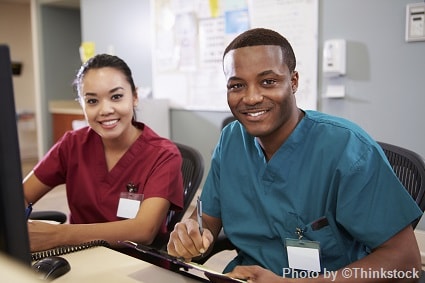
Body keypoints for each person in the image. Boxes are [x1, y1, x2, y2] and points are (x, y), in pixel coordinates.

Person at [167, 28, 423, 282]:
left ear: (294, 81)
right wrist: (191, 233)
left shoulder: (348, 149)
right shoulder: (231, 140)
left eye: (268, 81)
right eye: (237, 85)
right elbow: (208, 219)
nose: (252, 97)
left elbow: (406, 263)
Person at [24, 54, 183, 252]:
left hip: (135, 264)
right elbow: (21, 194)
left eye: (116, 97)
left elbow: (144, 230)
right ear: (82, 104)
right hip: (79, 256)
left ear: (134, 96)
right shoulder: (72, 144)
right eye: (92, 101)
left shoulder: (163, 155)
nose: (105, 109)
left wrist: (58, 235)